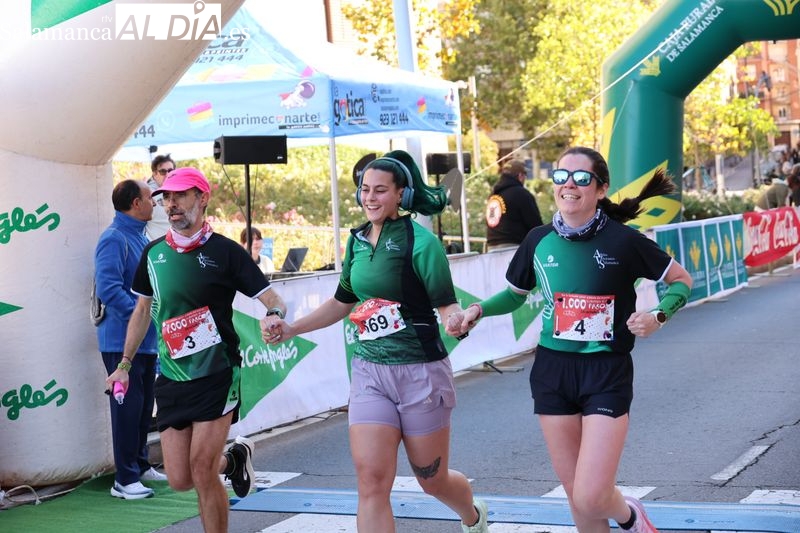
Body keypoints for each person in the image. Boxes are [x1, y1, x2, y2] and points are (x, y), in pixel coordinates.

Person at [448, 146, 693, 533]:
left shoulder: (624, 241)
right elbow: (514, 295)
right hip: (553, 370)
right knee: (576, 493)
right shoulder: (538, 240)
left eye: (581, 178)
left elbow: (681, 281)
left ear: (601, 188)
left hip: (606, 370)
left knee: (591, 495)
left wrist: (658, 316)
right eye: (561, 176)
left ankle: (630, 516)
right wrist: (477, 310)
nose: (569, 185)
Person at [261, 149, 489, 533]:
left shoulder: (422, 243)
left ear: (401, 194)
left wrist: (456, 321)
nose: (370, 197)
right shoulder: (357, 241)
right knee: (371, 482)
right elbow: (341, 302)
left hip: (420, 373)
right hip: (369, 372)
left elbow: (447, 305)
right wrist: (292, 328)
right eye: (365, 189)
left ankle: (472, 514)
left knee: (431, 479)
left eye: (380, 190)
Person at [105, 167, 287, 532]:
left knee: (202, 470)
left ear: (202, 199)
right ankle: (234, 461)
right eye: (167, 198)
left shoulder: (226, 252)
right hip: (172, 375)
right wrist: (124, 364)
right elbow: (142, 310)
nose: (171, 204)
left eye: (180, 196)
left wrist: (274, 317)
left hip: (217, 373)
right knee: (180, 478)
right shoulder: (153, 254)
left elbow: (273, 300)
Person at [95, 179, 167, 499]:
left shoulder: (141, 237)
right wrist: (142, 317)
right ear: (136, 203)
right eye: (150, 198)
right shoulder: (113, 238)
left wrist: (147, 321)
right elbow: (109, 289)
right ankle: (124, 479)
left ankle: (140, 465)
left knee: (143, 407)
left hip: (145, 341)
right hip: (119, 343)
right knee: (127, 408)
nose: (155, 203)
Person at [485, 159, 543, 252]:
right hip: (513, 248)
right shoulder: (521, 194)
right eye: (524, 175)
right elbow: (535, 224)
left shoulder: (493, 194)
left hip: (491, 248)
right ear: (520, 176)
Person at [145, 154, 175, 240]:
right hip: (156, 245)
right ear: (154, 174)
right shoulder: (146, 194)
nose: (167, 174)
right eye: (163, 172)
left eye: (170, 171)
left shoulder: (179, 192)